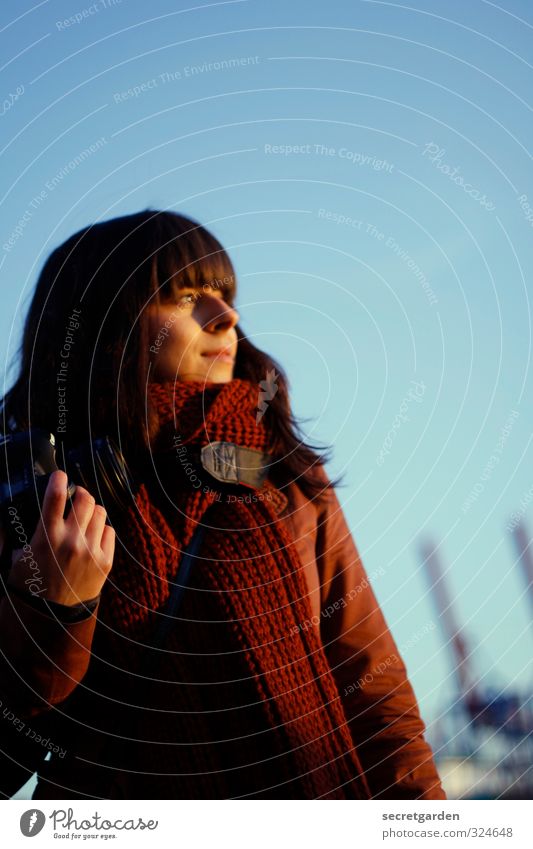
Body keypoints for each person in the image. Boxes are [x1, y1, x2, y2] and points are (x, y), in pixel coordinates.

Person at [0, 209, 445, 800]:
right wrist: (57, 607)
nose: (226, 317)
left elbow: (374, 690)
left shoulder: (283, 474)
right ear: (105, 327)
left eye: (226, 295)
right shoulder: (31, 496)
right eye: (185, 298)